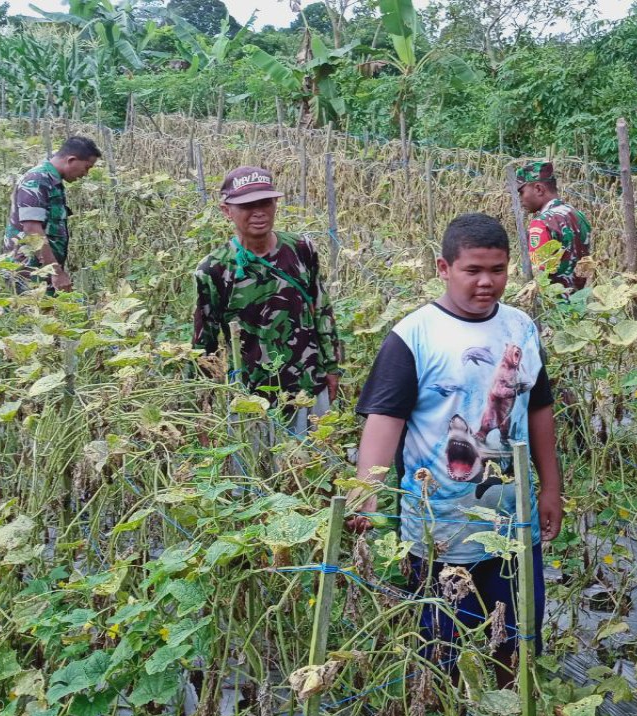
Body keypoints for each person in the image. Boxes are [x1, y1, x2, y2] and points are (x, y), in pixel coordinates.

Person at [349, 212, 564, 684]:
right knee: (440, 655)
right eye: (473, 270)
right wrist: (365, 503)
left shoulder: (521, 328)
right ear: (443, 268)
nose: (487, 282)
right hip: (438, 533)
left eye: (498, 269)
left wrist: (551, 488)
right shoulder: (414, 336)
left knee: (518, 642)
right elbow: (384, 427)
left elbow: (538, 410)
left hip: (515, 525)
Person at [191, 166, 341, 430]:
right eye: (247, 205)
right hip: (251, 398)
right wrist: (205, 405)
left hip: (308, 386)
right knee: (257, 469)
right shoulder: (214, 269)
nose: (259, 212)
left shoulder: (301, 249)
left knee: (314, 465)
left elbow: (321, 309)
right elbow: (205, 345)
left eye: (266, 202)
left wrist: (331, 366)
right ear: (226, 210)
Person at [2, 136, 101, 293]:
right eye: (87, 167)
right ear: (71, 160)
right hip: (29, 271)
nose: (85, 174)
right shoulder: (38, 180)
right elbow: (32, 229)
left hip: (41, 269)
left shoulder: (51, 181)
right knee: (29, 315)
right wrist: (55, 272)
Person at [516, 161, 591, 293]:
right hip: (579, 301)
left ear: (539, 189)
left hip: (554, 304)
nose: (520, 199)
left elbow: (539, 274)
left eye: (521, 192)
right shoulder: (578, 215)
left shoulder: (541, 224)